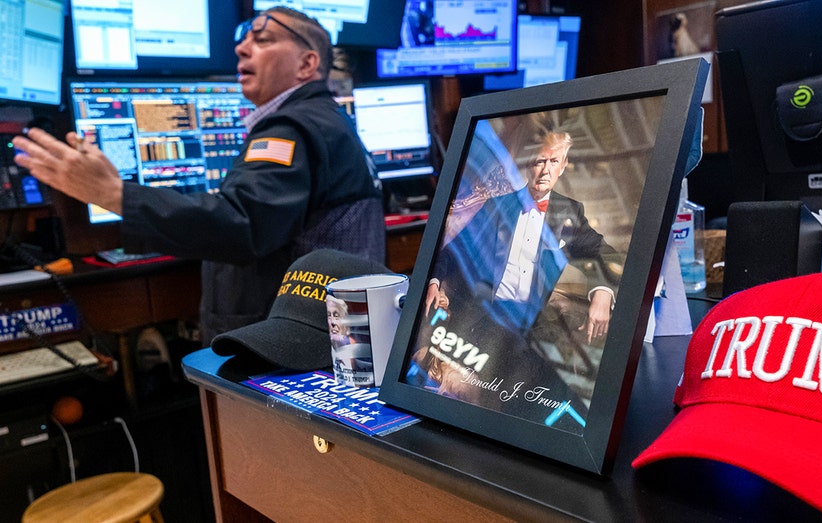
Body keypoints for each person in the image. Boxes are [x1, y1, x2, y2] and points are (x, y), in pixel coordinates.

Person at [12, 6, 385, 343]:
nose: (241, 49)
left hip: (283, 341)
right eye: (244, 41)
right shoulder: (328, 119)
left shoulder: (291, 127)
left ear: (306, 64)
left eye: (264, 39)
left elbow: (242, 224)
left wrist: (114, 194)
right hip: (326, 331)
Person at [411, 130, 621, 428]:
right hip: (482, 317)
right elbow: (452, 253)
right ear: (527, 164)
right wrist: (434, 282)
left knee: (557, 396)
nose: (546, 170)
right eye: (539, 161)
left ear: (563, 166)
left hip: (531, 324)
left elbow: (605, 254)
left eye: (554, 161)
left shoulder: (568, 212)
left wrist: (601, 292)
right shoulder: (499, 206)